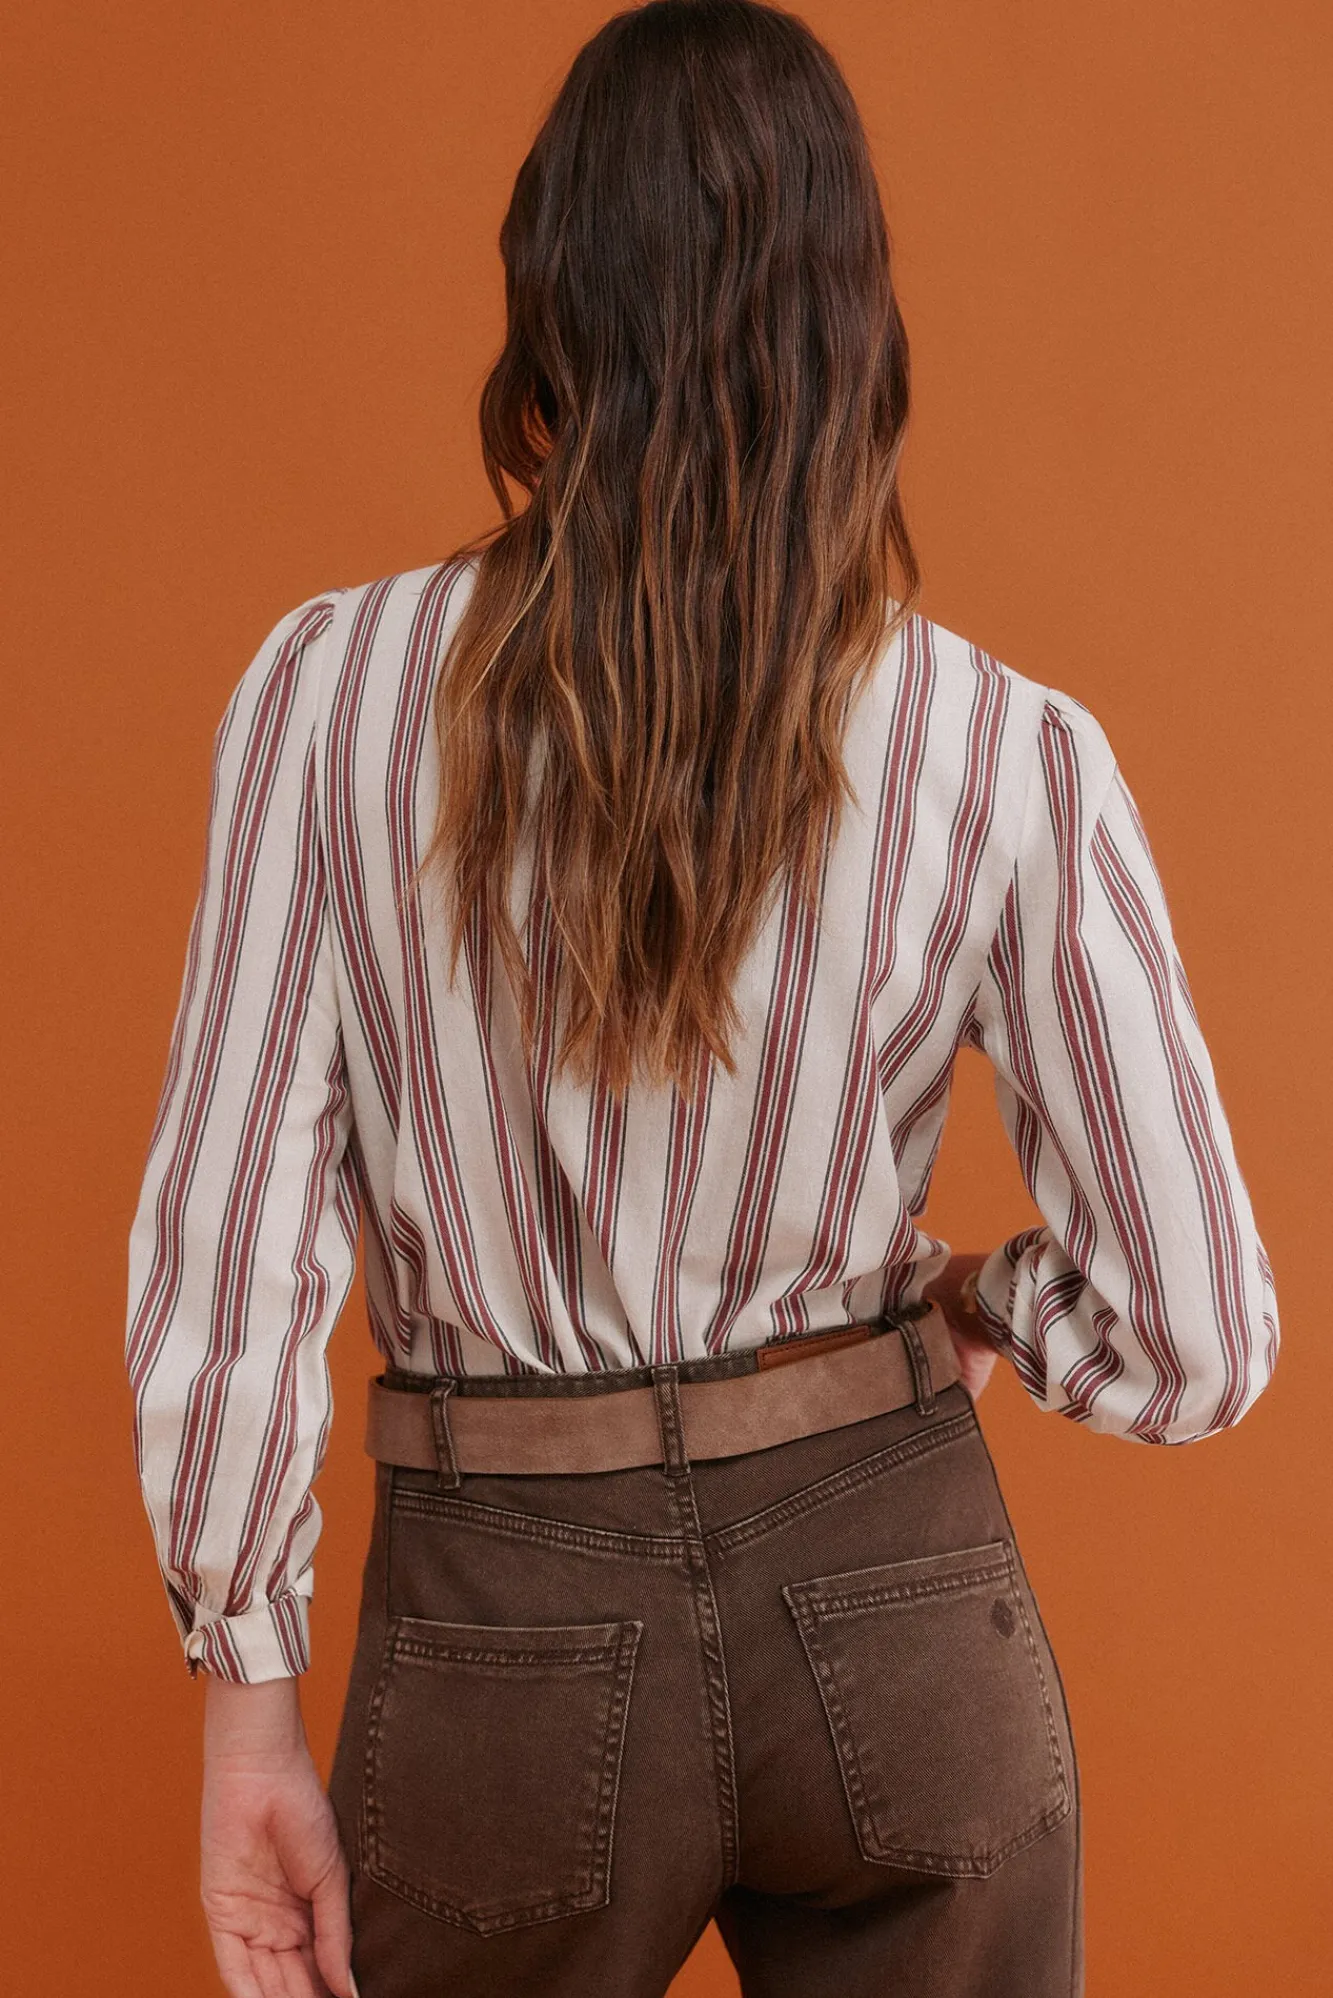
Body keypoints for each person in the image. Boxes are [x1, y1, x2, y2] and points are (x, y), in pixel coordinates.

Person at [123, 4, 1279, 1995]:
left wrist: (247, 1705)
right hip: (897, 1590)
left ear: (549, 285)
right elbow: (1198, 1332)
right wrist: (981, 1300)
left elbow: (233, 1244)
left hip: (501, 1610)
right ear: (852, 318)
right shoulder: (1004, 746)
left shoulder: (326, 700)